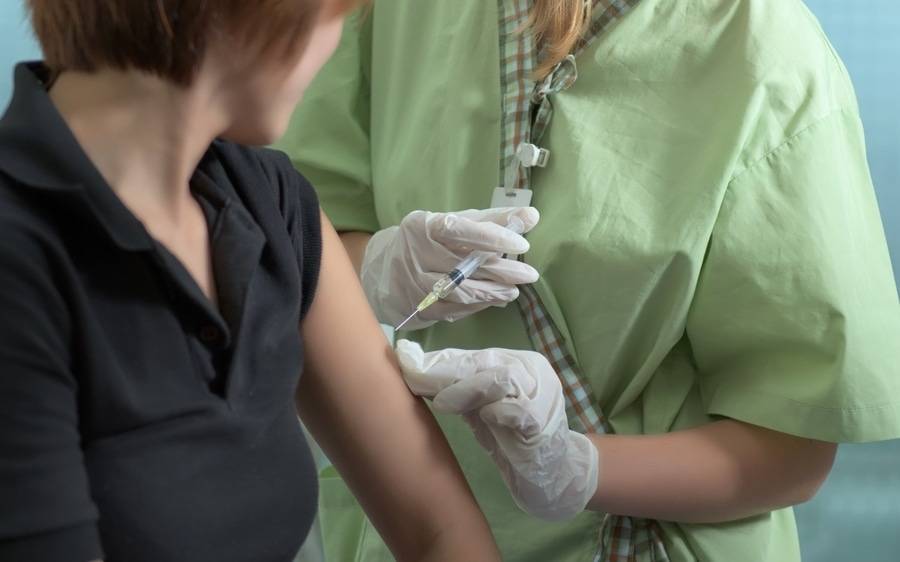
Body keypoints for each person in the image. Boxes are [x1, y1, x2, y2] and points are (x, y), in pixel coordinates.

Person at [278, 0, 900, 560]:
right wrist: (374, 265)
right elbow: (296, 216)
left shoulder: (766, 56)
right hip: (397, 529)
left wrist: (574, 467)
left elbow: (792, 449)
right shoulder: (389, 14)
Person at [0, 1, 503, 561]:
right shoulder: (19, 258)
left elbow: (440, 530)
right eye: (334, 15)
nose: (331, 43)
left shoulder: (272, 206)